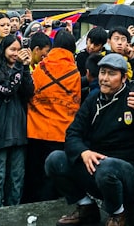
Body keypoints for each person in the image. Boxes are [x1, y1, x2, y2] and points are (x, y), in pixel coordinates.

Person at [46, 53, 134, 226]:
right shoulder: (93, 99)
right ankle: (85, 206)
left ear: (124, 78)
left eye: (111, 74)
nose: (104, 78)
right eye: (103, 72)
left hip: (131, 177)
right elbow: (73, 133)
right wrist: (84, 152)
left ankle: (118, 214)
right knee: (55, 160)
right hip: (97, 170)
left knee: (107, 166)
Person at [24, 29, 81, 204]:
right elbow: (75, 103)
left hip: (35, 131)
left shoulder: (40, 67)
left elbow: (30, 93)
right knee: (54, 173)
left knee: (34, 173)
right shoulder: (74, 73)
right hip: (61, 132)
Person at [0, 34, 34, 208]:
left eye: (18, 50)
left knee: (16, 178)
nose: (16, 53)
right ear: (3, 50)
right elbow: (7, 89)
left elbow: (29, 92)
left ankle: (14, 212)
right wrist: (19, 66)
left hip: (19, 130)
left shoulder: (21, 68)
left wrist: (26, 69)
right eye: (12, 49)